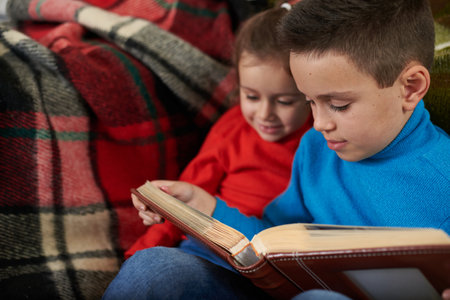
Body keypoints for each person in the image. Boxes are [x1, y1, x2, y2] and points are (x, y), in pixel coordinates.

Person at [103, 0, 450, 299]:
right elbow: (272, 244)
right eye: (310, 102)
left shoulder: (442, 176)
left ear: (411, 87)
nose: (318, 123)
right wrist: (204, 206)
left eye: (339, 105)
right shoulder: (316, 148)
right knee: (155, 267)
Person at [123, 3, 312, 264]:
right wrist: (143, 251)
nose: (265, 113)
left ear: (310, 93)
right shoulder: (233, 126)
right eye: (252, 96)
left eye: (285, 101)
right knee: (149, 268)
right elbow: (190, 193)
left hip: (276, 260)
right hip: (207, 250)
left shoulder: (322, 138)